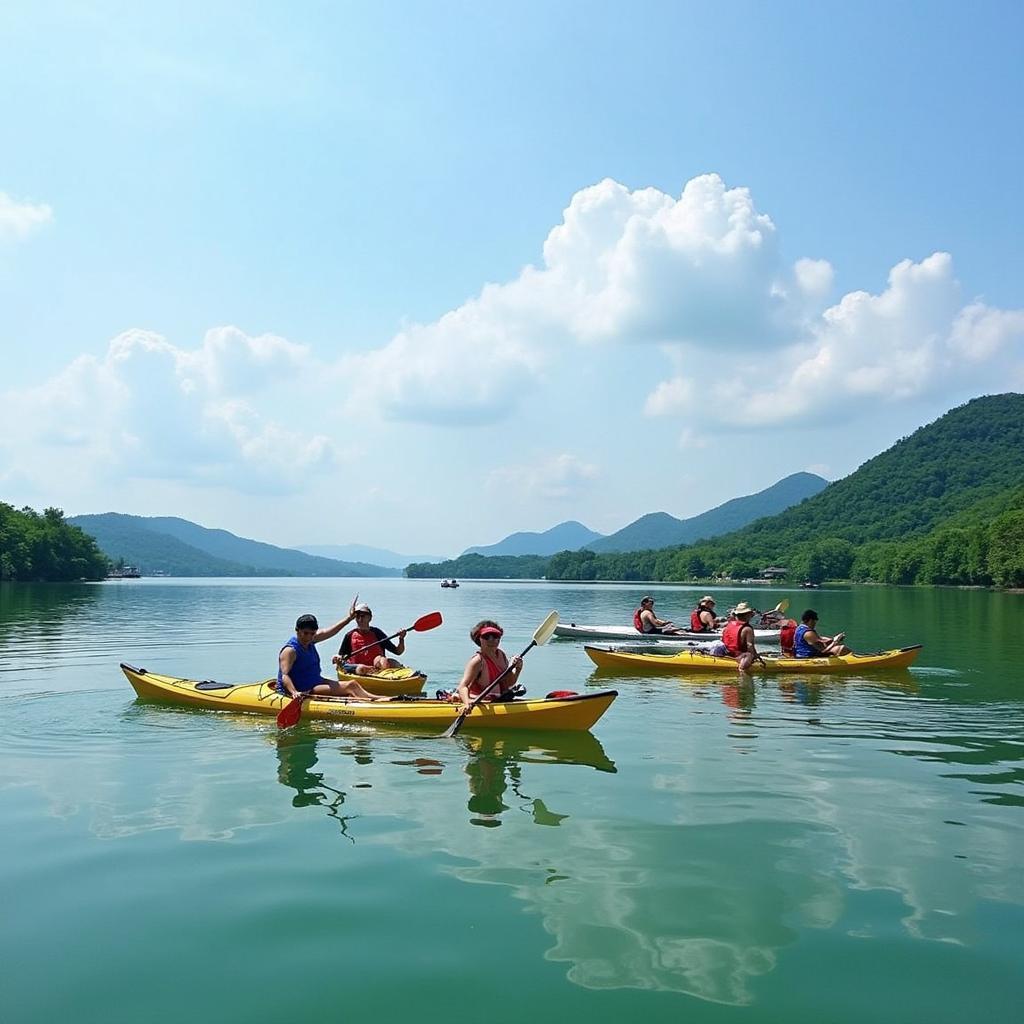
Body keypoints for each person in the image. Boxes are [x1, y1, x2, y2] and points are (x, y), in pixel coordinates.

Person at [277, 611, 390, 702]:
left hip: (316, 681)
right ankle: (380, 700)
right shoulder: (290, 651)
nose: (308, 637)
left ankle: (375, 700)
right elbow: (284, 676)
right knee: (350, 686)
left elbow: (330, 631)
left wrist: (348, 619)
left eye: (312, 633)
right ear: (297, 631)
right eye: (305, 633)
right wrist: (294, 692)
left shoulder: (311, 640)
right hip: (303, 689)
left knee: (353, 685)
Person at [455, 621, 524, 712]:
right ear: (479, 639)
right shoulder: (477, 661)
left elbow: (508, 683)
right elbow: (462, 686)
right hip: (478, 703)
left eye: (495, 636)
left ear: (499, 639)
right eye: (486, 637)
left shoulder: (501, 655)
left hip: (498, 701)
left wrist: (518, 668)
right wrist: (467, 703)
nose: (491, 640)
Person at [334, 602, 406, 676]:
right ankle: (373, 671)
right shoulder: (349, 635)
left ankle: (383, 677)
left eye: (362, 616)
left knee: (386, 661)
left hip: (378, 668)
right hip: (358, 669)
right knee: (361, 668)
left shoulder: (377, 633)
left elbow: (398, 651)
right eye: (357, 617)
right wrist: (337, 658)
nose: (360, 619)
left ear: (370, 618)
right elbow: (341, 656)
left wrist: (401, 639)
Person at [719, 601, 762, 673]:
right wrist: (755, 656)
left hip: (727, 652)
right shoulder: (747, 629)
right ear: (746, 615)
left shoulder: (729, 624)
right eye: (750, 614)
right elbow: (749, 645)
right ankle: (742, 671)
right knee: (749, 654)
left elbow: (722, 639)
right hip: (739, 655)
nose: (751, 616)